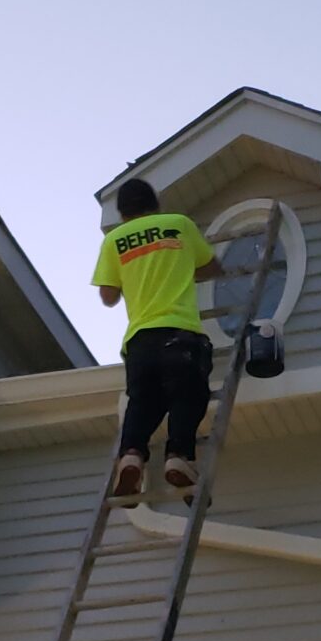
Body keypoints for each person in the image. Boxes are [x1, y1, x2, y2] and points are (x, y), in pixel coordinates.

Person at [92, 178, 221, 502]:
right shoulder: (178, 225)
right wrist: (180, 265)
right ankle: (178, 455)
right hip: (179, 332)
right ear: (155, 204)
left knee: (143, 402)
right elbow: (211, 267)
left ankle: (131, 456)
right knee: (187, 395)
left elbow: (108, 297)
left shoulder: (113, 241)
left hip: (139, 342)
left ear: (122, 214)